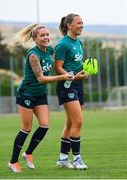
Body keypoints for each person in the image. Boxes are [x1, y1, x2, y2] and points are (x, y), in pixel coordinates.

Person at [7, 24, 74, 173]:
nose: (46, 38)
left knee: (44, 125)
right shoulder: (33, 55)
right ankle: (13, 162)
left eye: (47, 34)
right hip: (27, 93)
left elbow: (61, 60)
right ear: (35, 39)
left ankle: (28, 153)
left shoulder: (49, 50)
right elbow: (41, 79)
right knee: (26, 129)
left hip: (40, 94)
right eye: (42, 35)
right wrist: (63, 76)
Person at [55, 13, 89, 170]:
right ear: (69, 25)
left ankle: (62, 159)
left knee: (71, 122)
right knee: (78, 121)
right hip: (66, 85)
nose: (81, 25)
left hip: (77, 84)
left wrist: (84, 71)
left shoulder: (79, 42)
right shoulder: (63, 44)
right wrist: (71, 77)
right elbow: (58, 67)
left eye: (82, 23)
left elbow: (77, 64)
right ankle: (77, 159)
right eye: (78, 23)